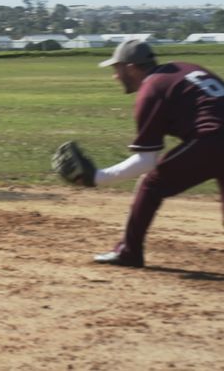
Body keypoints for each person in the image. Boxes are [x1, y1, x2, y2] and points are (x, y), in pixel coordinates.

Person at [89, 38, 224, 268]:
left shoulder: (151, 89)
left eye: (117, 69)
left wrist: (97, 177)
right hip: (215, 136)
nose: (115, 76)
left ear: (131, 68)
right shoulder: (183, 68)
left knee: (151, 184)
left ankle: (128, 252)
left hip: (213, 139)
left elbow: (146, 160)